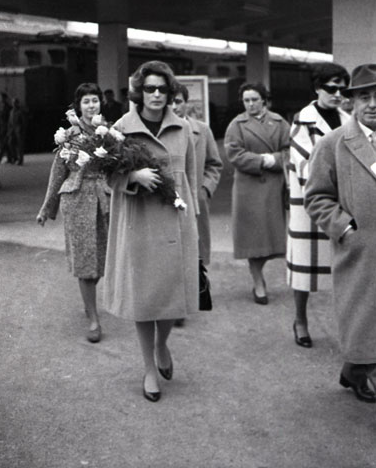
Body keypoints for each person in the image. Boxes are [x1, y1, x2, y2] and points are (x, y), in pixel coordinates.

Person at [103, 61, 199, 402]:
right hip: (138, 220)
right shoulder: (120, 128)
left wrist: (194, 218)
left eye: (162, 89)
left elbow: (190, 176)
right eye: (149, 89)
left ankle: (162, 344)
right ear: (139, 92)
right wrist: (132, 177)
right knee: (143, 300)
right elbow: (106, 175)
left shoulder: (183, 128)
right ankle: (148, 368)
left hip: (175, 219)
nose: (156, 95)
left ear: (170, 93)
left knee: (172, 297)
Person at [304, 64, 376, 403]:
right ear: (352, 102)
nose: (372, 104)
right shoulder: (333, 143)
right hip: (360, 248)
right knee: (361, 313)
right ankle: (363, 369)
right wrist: (345, 228)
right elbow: (316, 197)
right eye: (364, 97)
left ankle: (355, 369)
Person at [36, 83, 110, 343]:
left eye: (95, 100)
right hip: (76, 200)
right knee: (85, 262)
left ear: (101, 103)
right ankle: (93, 318)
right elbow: (58, 173)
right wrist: (46, 208)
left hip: (104, 200)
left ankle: (88, 303)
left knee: (102, 261)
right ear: (78, 106)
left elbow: (119, 168)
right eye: (86, 101)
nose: (91, 105)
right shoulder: (69, 135)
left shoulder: (109, 132)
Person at [287, 62, 350, 347]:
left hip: (344, 201)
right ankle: (300, 319)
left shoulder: (348, 119)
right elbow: (304, 163)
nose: (337, 94)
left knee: (344, 267)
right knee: (306, 266)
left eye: (342, 89)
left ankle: (348, 326)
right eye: (331, 88)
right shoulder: (303, 120)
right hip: (310, 203)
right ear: (317, 88)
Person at [224, 82, 290, 304]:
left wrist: (276, 159)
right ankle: (258, 282)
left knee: (272, 240)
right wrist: (261, 161)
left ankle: (259, 277)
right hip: (248, 189)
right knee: (253, 241)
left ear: (264, 100)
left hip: (273, 187)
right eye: (246, 100)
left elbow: (291, 149)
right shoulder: (237, 125)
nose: (250, 104)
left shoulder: (280, 123)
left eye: (254, 99)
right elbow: (234, 153)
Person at [172, 83, 223, 326]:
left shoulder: (201, 130)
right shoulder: (160, 132)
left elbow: (214, 164)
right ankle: (175, 304)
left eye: (178, 101)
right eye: (170, 102)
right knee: (171, 251)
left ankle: (185, 302)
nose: (174, 107)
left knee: (193, 252)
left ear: (186, 103)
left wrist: (205, 190)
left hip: (195, 202)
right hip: (168, 201)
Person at [7, 98, 27, 165]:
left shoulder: (20, 112)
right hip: (12, 130)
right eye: (13, 103)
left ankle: (20, 160)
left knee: (20, 146)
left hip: (19, 130)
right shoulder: (11, 111)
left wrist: (22, 130)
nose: (14, 104)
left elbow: (24, 122)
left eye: (15, 103)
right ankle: (15, 157)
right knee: (10, 143)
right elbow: (9, 122)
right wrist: (9, 130)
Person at [0, 92, 12, 163]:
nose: (0, 99)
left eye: (1, 97)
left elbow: (10, 119)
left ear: (5, 98)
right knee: (4, 143)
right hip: (0, 127)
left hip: (6, 127)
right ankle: (10, 158)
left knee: (4, 143)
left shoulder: (8, 107)